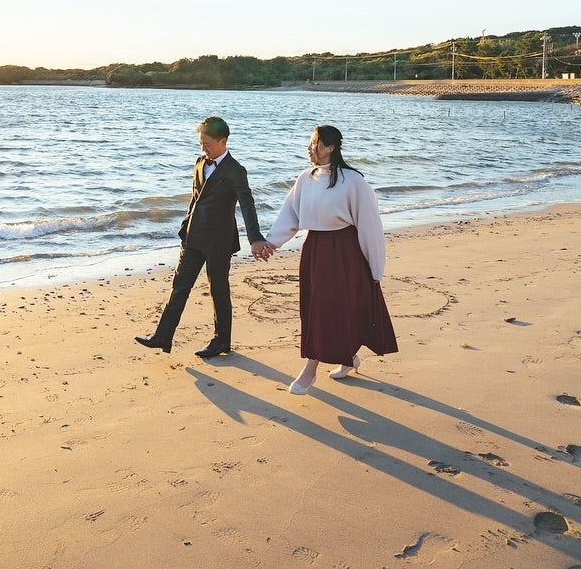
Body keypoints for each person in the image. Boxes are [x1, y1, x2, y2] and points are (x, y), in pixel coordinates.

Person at [265, 124, 397, 394]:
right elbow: (290, 215)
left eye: (315, 143)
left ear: (331, 147)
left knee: (335, 309)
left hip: (345, 252)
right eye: (310, 142)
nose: (310, 147)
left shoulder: (353, 181)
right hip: (314, 248)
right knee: (315, 308)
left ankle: (310, 369)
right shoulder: (306, 178)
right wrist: (270, 244)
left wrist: (375, 267)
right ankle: (346, 358)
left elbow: (369, 225)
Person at [136, 116, 276, 357]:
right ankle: (163, 337)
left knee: (218, 289)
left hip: (218, 241)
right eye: (201, 142)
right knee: (180, 286)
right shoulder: (200, 162)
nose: (203, 148)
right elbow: (194, 198)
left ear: (223, 141)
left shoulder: (236, 171)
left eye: (207, 143)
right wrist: (185, 226)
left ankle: (222, 341)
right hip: (192, 237)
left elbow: (247, 205)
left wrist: (255, 238)